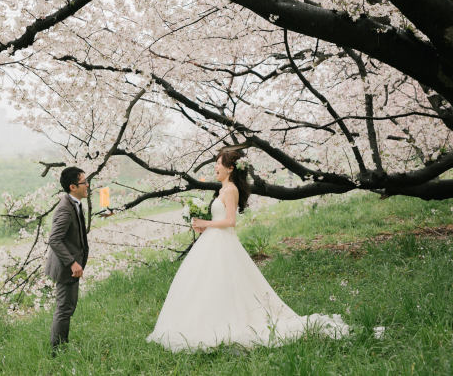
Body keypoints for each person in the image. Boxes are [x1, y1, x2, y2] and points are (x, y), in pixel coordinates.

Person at [147, 149, 348, 352]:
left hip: (222, 242)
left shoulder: (231, 189)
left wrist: (206, 222)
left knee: (223, 281)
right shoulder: (222, 190)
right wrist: (204, 225)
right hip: (212, 240)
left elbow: (231, 222)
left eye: (219, 163)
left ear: (230, 168)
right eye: (215, 163)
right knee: (206, 282)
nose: (215, 167)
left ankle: (222, 323)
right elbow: (220, 219)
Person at [45, 166, 90, 356]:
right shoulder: (65, 209)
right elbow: (54, 239)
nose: (87, 185)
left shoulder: (75, 203)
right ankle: (57, 353)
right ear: (73, 186)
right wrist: (72, 262)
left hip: (70, 266)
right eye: (84, 182)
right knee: (64, 310)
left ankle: (63, 345)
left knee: (67, 308)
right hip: (66, 268)